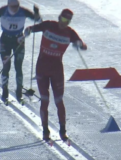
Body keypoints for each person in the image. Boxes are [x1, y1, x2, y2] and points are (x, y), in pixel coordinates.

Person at [24, 9, 87, 142]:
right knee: (45, 100)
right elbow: (32, 28)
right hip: (42, 68)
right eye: (63, 19)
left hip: (57, 69)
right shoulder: (49, 25)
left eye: (67, 21)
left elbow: (83, 45)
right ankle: (45, 130)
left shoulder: (70, 33)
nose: (64, 23)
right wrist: (28, 30)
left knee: (59, 101)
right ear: (59, 18)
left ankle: (63, 131)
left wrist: (79, 44)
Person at [0, 0, 41, 105]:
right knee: (6, 66)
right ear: (8, 5)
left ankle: (19, 92)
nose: (15, 8)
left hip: (19, 41)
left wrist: (37, 14)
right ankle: (5, 92)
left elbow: (37, 20)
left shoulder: (23, 11)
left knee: (18, 67)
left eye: (17, 6)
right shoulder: (2, 11)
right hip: (5, 41)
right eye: (13, 6)